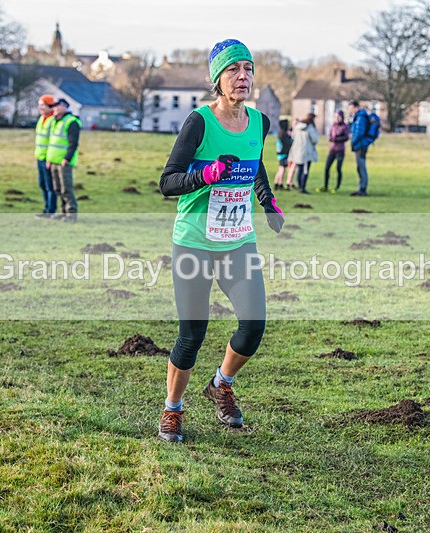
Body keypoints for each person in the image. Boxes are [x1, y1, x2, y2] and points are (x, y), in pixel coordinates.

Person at [157, 38, 284, 443]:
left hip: (237, 241)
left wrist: (267, 200)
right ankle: (172, 410)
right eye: (233, 69)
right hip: (194, 241)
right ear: (217, 78)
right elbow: (167, 182)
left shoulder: (260, 122)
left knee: (254, 325)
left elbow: (255, 164)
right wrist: (205, 175)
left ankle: (221, 384)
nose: (243, 76)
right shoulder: (199, 122)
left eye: (248, 68)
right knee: (192, 334)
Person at [46, 98, 81, 223]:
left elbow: (73, 143)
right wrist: (49, 159)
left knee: (66, 188)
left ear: (64, 107)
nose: (54, 109)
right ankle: (63, 212)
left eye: (57, 106)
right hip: (54, 160)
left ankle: (71, 214)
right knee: (58, 189)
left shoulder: (71, 122)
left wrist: (67, 158)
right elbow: (52, 142)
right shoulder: (55, 121)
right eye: (53, 106)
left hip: (63, 162)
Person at [34, 94, 57, 219]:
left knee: (50, 186)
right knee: (42, 184)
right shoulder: (42, 118)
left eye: (42, 105)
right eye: (39, 105)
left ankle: (51, 210)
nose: (40, 107)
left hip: (48, 159)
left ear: (50, 106)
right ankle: (46, 208)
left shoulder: (52, 120)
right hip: (40, 157)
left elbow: (53, 141)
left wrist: (49, 158)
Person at [286, 113, 318, 194]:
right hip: (307, 152)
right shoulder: (310, 128)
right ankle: (302, 188)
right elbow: (315, 140)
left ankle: (299, 186)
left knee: (300, 170)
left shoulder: (297, 127)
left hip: (297, 152)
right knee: (305, 170)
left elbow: (292, 137)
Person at [318, 110, 349, 193]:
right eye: (335, 117)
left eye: (338, 117)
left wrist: (337, 138)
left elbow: (346, 137)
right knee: (327, 168)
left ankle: (337, 187)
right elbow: (330, 135)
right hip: (332, 150)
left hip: (340, 150)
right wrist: (331, 138)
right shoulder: (333, 126)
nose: (336, 118)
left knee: (338, 168)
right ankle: (325, 186)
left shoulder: (344, 127)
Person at [348, 101, 370, 196]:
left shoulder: (360, 117)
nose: (351, 111)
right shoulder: (359, 117)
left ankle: (362, 189)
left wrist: (353, 141)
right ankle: (361, 188)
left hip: (360, 145)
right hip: (359, 145)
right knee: (359, 167)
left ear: (356, 107)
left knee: (361, 167)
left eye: (351, 108)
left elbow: (359, 132)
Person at [273, 118, 292, 190]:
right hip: (284, 153)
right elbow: (288, 143)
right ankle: (280, 184)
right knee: (282, 169)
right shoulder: (284, 134)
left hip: (280, 153)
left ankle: (276, 183)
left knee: (280, 168)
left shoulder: (281, 132)